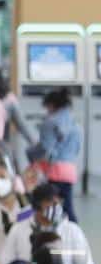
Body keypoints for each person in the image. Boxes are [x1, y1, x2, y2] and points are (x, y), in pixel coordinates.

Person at [32, 87, 82, 219]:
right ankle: (74, 235)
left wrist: (33, 160)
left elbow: (46, 150)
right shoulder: (75, 123)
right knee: (66, 206)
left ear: (51, 105)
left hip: (54, 171)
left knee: (45, 206)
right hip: (69, 170)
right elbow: (77, 148)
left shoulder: (50, 122)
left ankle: (71, 234)